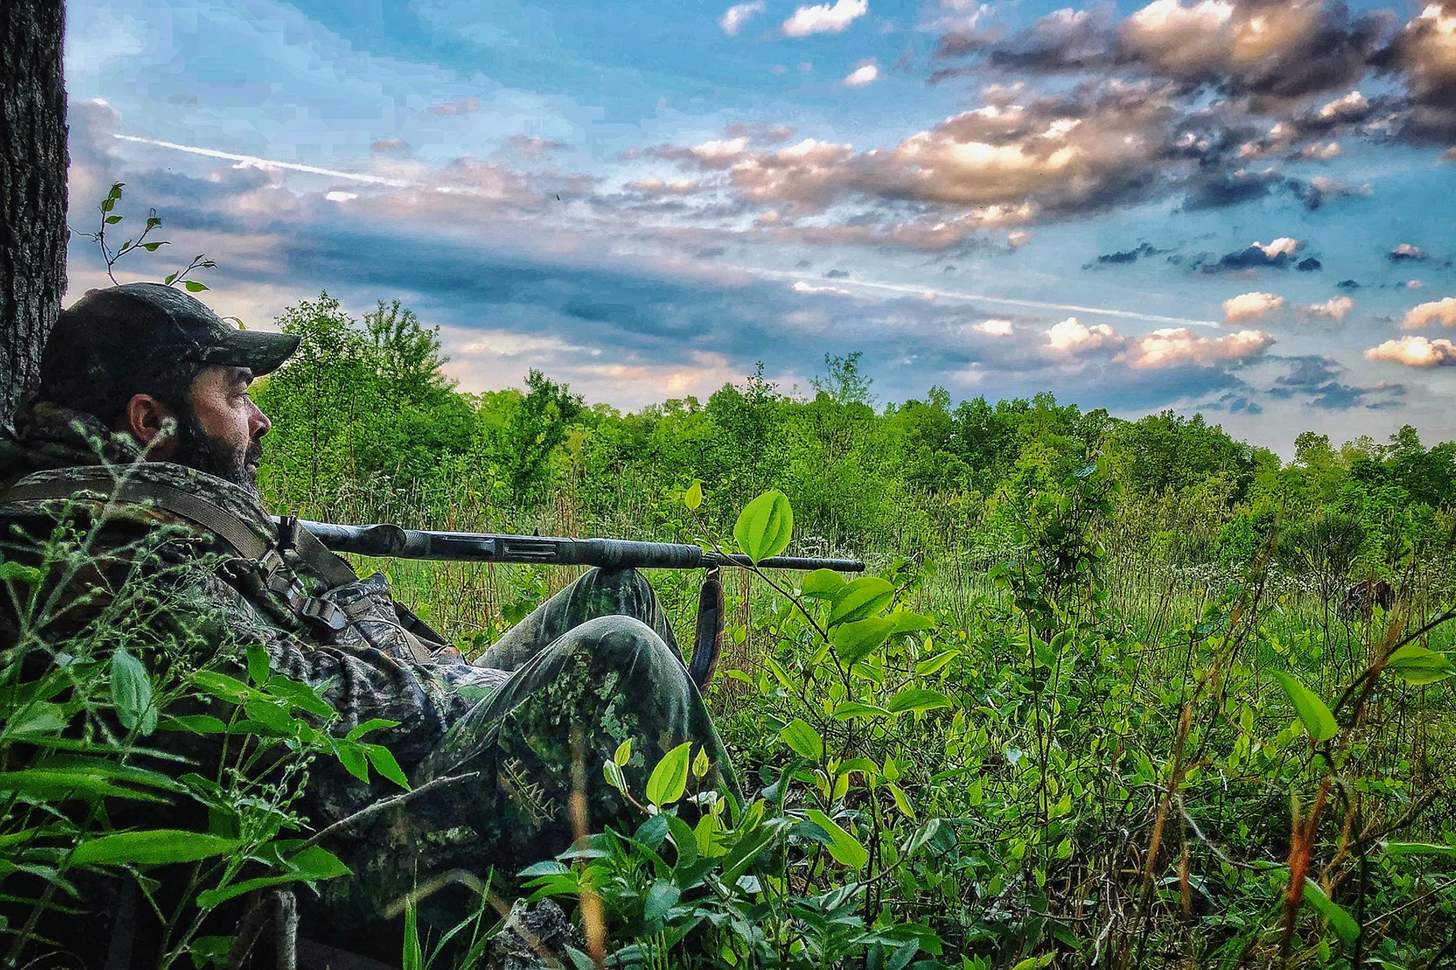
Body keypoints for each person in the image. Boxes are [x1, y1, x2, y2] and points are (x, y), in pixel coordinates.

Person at [0, 283, 736, 960]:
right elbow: (295, 699)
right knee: (617, 654)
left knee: (616, 595)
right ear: (151, 421)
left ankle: (673, 881)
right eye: (235, 395)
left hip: (375, 781)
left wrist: (452, 675)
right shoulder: (96, 551)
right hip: (329, 860)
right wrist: (463, 685)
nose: (261, 420)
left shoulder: (165, 509)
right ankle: (741, 918)